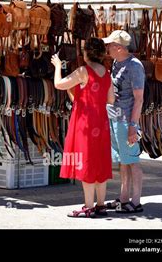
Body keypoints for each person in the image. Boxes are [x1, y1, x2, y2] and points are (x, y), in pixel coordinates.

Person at [51, 38, 115, 218]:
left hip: (85, 122)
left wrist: (57, 66)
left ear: (87, 53)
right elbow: (111, 99)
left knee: (86, 160)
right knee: (100, 160)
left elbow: (59, 84)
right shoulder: (106, 72)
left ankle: (88, 206)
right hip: (101, 121)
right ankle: (100, 205)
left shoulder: (83, 71)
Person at [102, 30, 145, 213]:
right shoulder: (116, 63)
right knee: (123, 160)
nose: (107, 48)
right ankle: (124, 197)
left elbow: (139, 99)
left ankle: (135, 202)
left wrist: (133, 127)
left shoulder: (134, 66)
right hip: (116, 118)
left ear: (118, 47)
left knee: (132, 161)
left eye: (110, 45)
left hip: (126, 120)